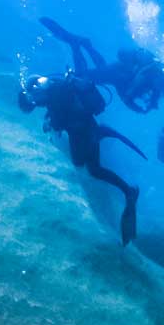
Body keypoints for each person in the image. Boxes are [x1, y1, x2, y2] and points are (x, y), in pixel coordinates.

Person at [18, 72, 143, 244]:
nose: (35, 103)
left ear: (36, 89)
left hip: (82, 131)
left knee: (87, 167)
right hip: (86, 128)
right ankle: (128, 190)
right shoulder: (56, 88)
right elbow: (61, 110)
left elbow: (59, 120)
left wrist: (50, 124)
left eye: (33, 99)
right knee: (91, 168)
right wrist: (51, 118)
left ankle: (128, 191)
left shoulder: (53, 94)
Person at [40, 17, 164, 113]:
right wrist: (136, 107)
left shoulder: (155, 79)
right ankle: (75, 44)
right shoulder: (146, 76)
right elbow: (127, 96)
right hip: (118, 75)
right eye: (161, 86)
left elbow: (135, 93)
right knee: (83, 75)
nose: (160, 89)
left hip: (118, 74)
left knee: (102, 70)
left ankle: (87, 45)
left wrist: (146, 105)